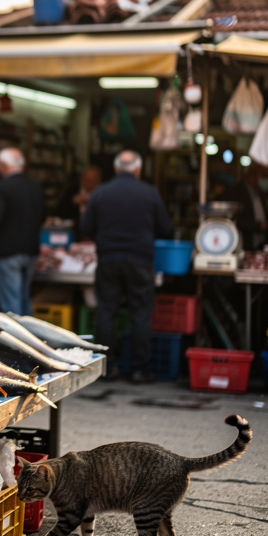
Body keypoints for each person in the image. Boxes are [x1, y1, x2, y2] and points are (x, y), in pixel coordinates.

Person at [81, 151, 172, 383]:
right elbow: (165, 226)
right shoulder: (150, 193)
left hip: (109, 259)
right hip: (140, 260)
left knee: (106, 313)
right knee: (140, 314)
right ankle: (141, 370)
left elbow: (86, 226)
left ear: (115, 168)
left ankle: (107, 367)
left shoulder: (100, 192)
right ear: (138, 169)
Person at [0, 147, 45, 317]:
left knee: (12, 302)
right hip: (31, 248)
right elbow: (42, 216)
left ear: (3, 165)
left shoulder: (2, 187)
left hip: (9, 250)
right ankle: (30, 338)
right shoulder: (35, 187)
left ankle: (15, 341)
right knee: (24, 298)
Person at [223, 164, 268, 251]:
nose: (266, 180)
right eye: (264, 176)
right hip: (244, 245)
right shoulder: (235, 192)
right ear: (252, 176)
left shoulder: (261, 194)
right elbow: (234, 219)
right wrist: (258, 226)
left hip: (261, 245)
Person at [54, 165, 102, 240]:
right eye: (87, 180)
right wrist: (73, 202)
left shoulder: (103, 194)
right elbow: (59, 215)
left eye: (93, 181)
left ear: (99, 181)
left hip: (97, 236)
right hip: (74, 235)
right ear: (81, 180)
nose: (90, 184)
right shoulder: (71, 192)